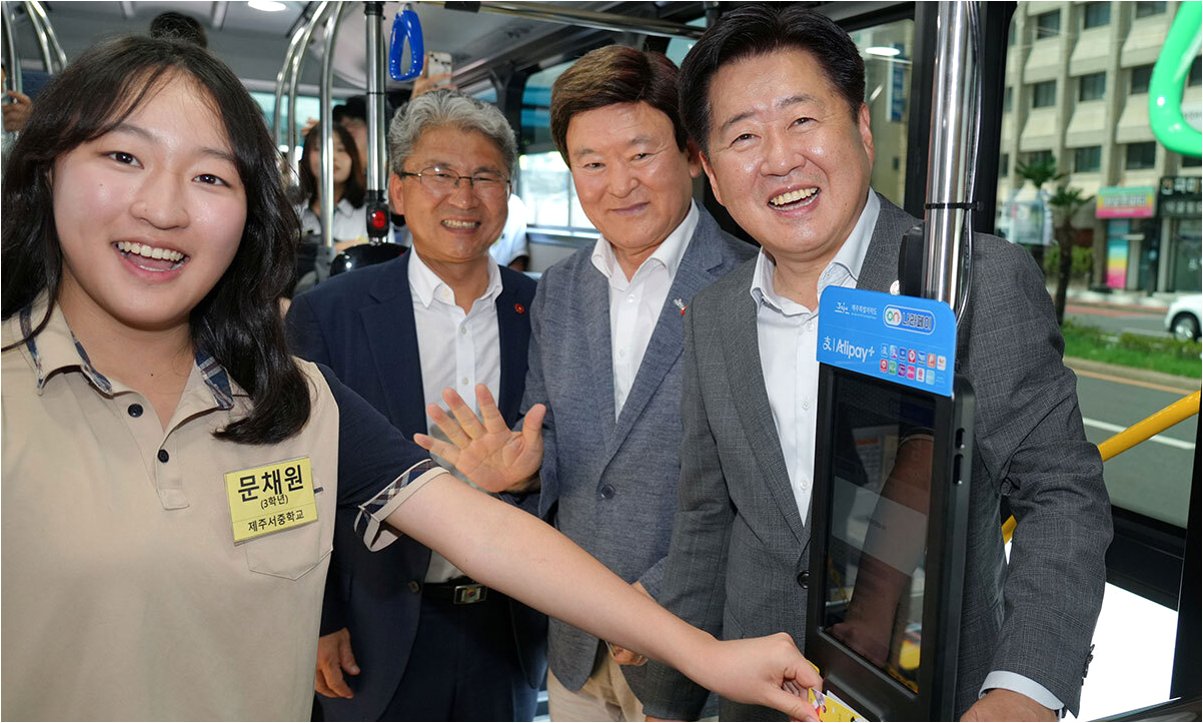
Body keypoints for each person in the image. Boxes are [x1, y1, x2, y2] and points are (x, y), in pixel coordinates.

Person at [0, 34, 822, 723]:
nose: (163, 206)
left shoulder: (290, 399)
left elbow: (483, 530)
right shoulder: (334, 320)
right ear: (43, 170)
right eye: (122, 157)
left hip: (515, 644)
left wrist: (701, 651)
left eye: (210, 176)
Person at [620, 6, 1108, 721]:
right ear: (713, 175)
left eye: (802, 119)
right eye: (744, 136)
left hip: (934, 694)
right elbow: (704, 517)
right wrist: (669, 702)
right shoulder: (714, 315)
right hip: (759, 703)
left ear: (862, 128)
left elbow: (1061, 494)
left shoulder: (970, 283)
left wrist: (1023, 690)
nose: (779, 159)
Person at [416, 46, 755, 722]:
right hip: (575, 645)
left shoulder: (752, 283)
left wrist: (659, 597)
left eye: (640, 154)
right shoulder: (561, 288)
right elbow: (561, 448)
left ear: (691, 154)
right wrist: (520, 474)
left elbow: (767, 488)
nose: (619, 184)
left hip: (696, 643)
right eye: (592, 164)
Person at [286, 90, 544, 722]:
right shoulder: (329, 314)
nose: (463, 197)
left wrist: (528, 477)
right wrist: (318, 617)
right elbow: (293, 475)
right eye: (439, 174)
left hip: (510, 626)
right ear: (398, 192)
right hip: (370, 626)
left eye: (485, 176)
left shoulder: (546, 310)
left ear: (507, 194)